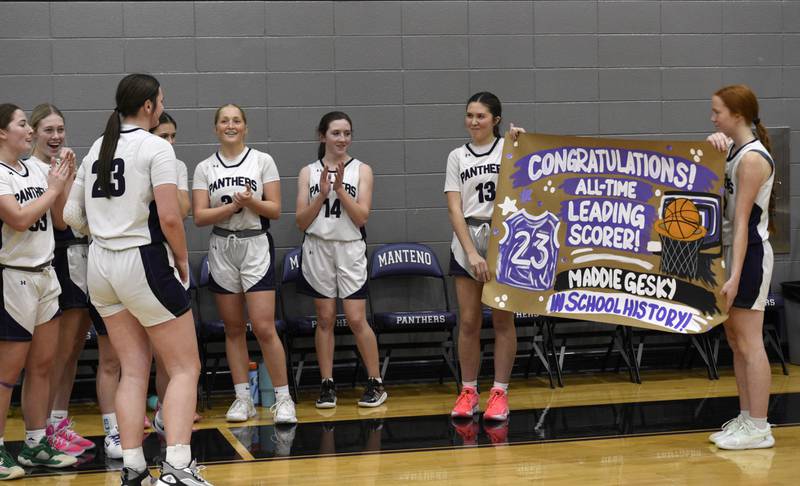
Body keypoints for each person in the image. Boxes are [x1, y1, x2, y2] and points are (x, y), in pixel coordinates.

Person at [64, 74, 211, 485]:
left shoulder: (97, 147)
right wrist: (181, 259)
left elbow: (71, 217)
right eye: (161, 101)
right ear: (148, 106)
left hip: (100, 265)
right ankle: (179, 467)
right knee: (185, 366)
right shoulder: (156, 148)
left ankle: (133, 469)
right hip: (141, 260)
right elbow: (169, 216)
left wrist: (106, 225)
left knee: (132, 369)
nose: (162, 107)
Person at [192, 104, 296, 424]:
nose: (231, 125)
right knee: (233, 328)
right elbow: (199, 216)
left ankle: (283, 399)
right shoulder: (204, 167)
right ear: (216, 128)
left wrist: (250, 202)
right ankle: (242, 398)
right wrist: (231, 207)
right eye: (224, 121)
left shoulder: (262, 161)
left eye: (236, 120)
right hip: (222, 245)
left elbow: (275, 209)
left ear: (246, 127)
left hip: (255, 244)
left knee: (264, 326)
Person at [0, 103, 75, 479]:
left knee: (42, 366)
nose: (29, 130)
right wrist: (54, 189)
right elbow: (18, 218)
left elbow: (60, 220)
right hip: (13, 277)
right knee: (5, 373)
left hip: (46, 274)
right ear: (2, 133)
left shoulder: (37, 168)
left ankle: (35, 444)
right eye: (21, 124)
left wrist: (67, 180)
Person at [295, 111, 386, 409]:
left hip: (349, 247)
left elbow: (361, 216)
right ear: (323, 136)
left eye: (347, 133)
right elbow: (301, 222)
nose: (342, 139)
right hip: (318, 247)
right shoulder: (308, 172)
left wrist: (338, 191)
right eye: (336, 133)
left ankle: (375, 381)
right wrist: (321, 195)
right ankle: (327, 384)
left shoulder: (363, 170)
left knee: (357, 318)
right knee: (324, 319)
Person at [445, 92, 523, 422]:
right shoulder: (456, 156)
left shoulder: (507, 148)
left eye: (480, 116)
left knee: (503, 320)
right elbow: (454, 208)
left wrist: (521, 142)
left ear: (496, 119)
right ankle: (468, 391)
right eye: (469, 115)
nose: (474, 121)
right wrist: (471, 252)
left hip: (504, 239)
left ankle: (500, 392)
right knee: (469, 321)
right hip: (468, 240)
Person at [705, 84, 775, 450]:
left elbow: (745, 222)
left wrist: (733, 275)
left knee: (750, 342)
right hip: (733, 254)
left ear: (738, 115)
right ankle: (747, 417)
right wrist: (713, 147)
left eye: (718, 112)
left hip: (748, 258)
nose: (713, 117)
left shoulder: (752, 159)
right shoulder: (735, 150)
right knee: (735, 341)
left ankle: (760, 426)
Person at [149, 112, 199, 431]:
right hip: (145, 258)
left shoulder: (175, 166)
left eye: (173, 136)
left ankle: (170, 410)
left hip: (169, 259)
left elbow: (182, 210)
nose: (169, 142)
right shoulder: (143, 161)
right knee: (144, 352)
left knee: (173, 351)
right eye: (163, 136)